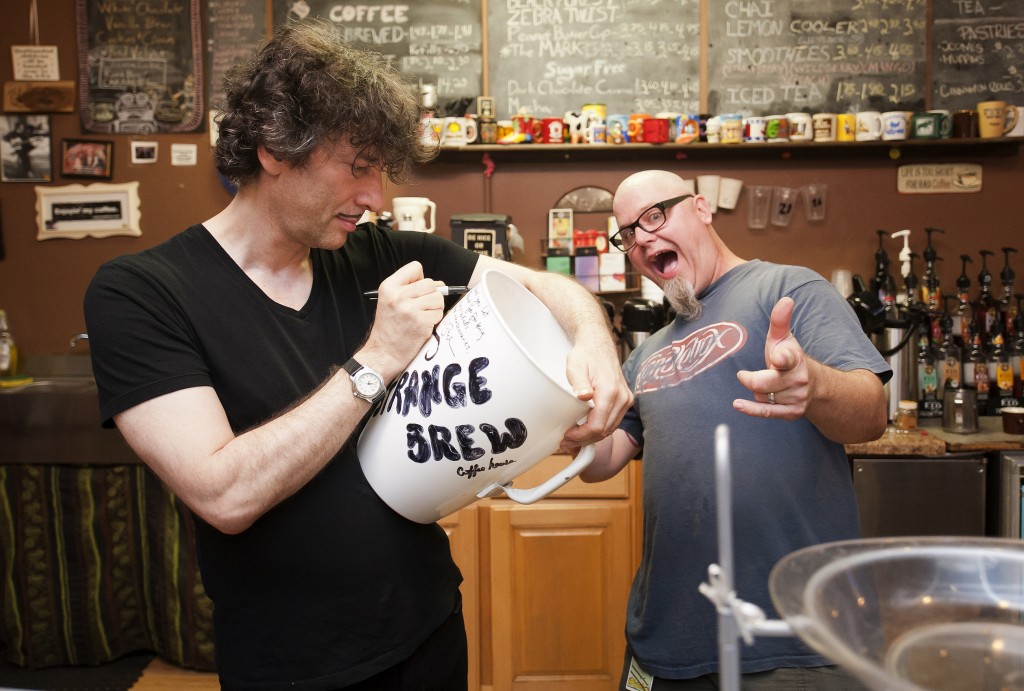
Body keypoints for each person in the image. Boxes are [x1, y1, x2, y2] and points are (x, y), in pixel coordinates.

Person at [84, 21, 631, 690]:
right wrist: (375, 360)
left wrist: (595, 344)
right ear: (275, 149)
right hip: (289, 665)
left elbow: (551, 288)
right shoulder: (142, 292)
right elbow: (223, 492)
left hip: (428, 632)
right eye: (359, 167)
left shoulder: (381, 254)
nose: (378, 198)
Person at [580, 170, 890, 690]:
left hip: (789, 641)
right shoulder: (647, 353)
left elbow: (871, 413)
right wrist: (565, 424)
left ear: (702, 208)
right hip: (666, 641)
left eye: (655, 215)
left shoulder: (789, 290)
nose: (643, 239)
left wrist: (812, 384)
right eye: (629, 234)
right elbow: (604, 460)